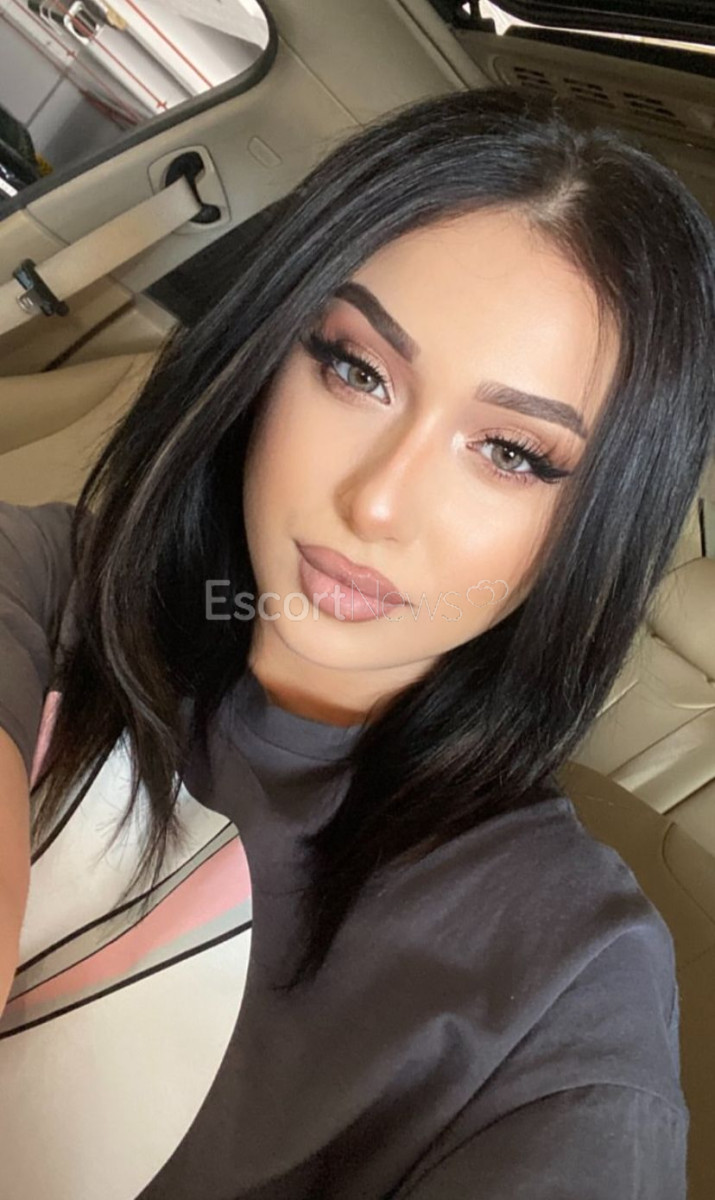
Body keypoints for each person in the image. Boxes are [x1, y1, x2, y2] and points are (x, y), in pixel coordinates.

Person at [0, 84, 713, 1199]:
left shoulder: (566, 982)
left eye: (512, 454)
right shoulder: (50, 580)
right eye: (356, 370)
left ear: (597, 526)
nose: (376, 503)